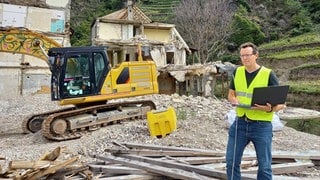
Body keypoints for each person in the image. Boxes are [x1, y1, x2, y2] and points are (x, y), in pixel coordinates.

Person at [226, 42, 286, 180]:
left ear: (256, 55)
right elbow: (231, 94)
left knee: (264, 167)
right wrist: (233, 100)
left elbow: (282, 104)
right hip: (240, 123)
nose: (244, 58)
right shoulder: (237, 72)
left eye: (247, 55)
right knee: (231, 162)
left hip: (261, 126)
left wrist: (270, 108)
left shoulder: (268, 74)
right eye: (242, 56)